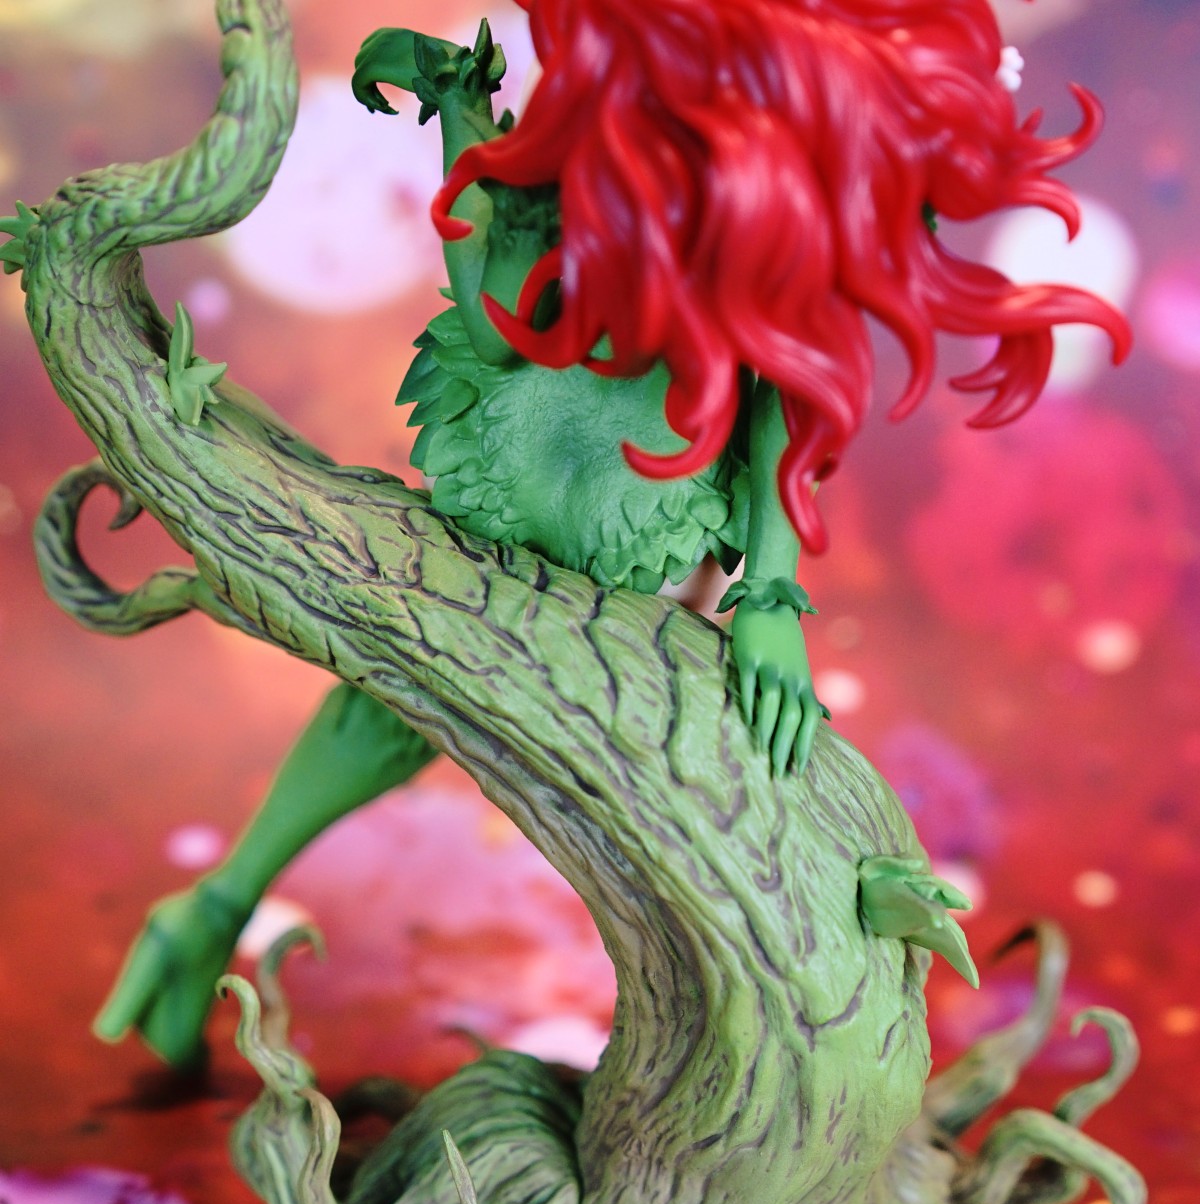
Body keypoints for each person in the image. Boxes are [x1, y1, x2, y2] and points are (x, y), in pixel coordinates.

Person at [96, 0, 1129, 1065]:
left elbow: (786, 384)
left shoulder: (775, 220)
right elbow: (497, 310)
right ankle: (217, 905)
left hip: (641, 530)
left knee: (679, 755)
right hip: (511, 478)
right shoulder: (604, 165)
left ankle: (766, 993)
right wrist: (461, 106)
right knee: (401, 694)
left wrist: (770, 593)